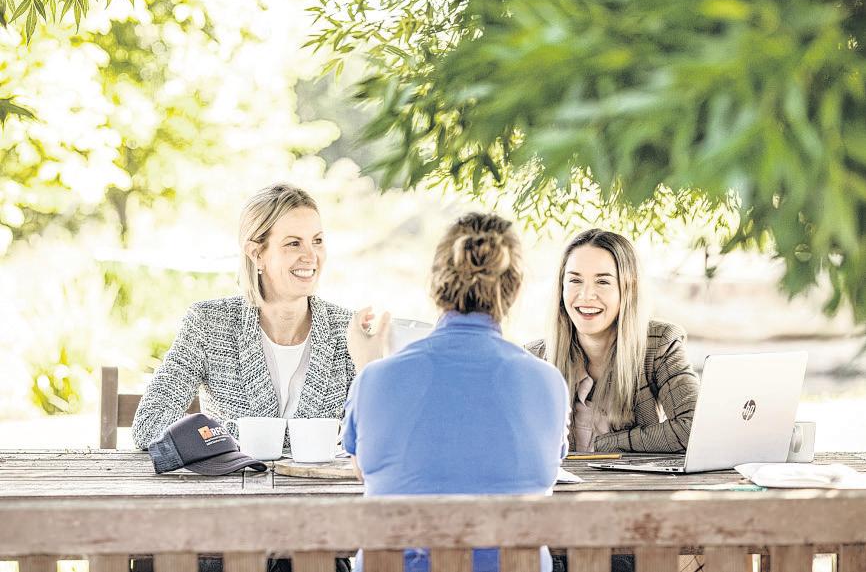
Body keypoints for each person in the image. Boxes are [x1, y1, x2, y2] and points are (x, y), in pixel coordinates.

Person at [344, 212, 570, 572]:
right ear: (514, 289)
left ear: (436, 283)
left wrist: (367, 365)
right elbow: (544, 470)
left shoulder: (375, 378)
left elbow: (365, 470)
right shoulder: (547, 382)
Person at [132, 183, 355, 452]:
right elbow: (149, 424)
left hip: (320, 481)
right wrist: (233, 437)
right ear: (257, 254)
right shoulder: (208, 324)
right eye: (293, 243)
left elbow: (382, 433)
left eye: (317, 241)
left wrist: (371, 363)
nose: (311, 256)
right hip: (234, 480)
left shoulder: (348, 330)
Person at [527, 228, 699, 454]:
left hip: (632, 478)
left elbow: (694, 427)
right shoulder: (534, 358)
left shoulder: (660, 344)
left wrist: (606, 445)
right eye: (575, 280)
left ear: (628, 288)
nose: (586, 295)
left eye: (602, 282)